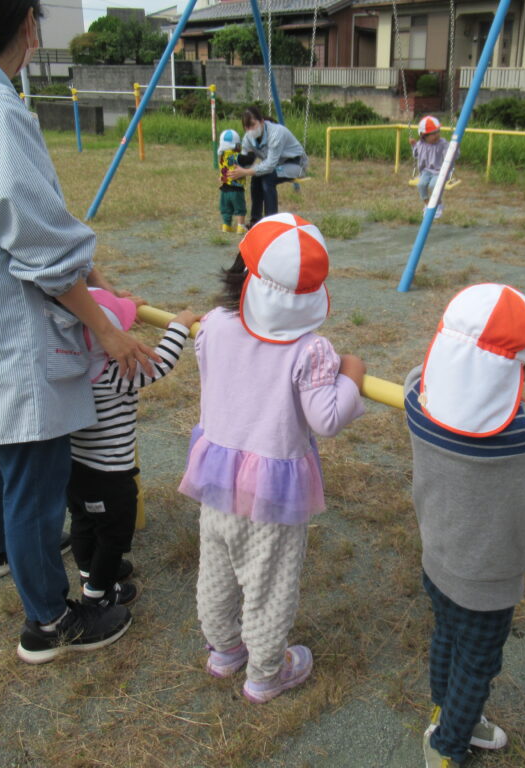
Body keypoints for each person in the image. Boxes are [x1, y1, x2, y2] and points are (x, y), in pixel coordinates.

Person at [0, 0, 161, 665]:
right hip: (8, 334)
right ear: (26, 24)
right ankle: (49, 621)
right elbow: (39, 243)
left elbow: (35, 224)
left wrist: (94, 276)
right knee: (35, 479)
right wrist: (107, 329)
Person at [404, 284, 525, 768]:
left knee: (446, 635)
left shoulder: (416, 399)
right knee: (478, 663)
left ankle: (443, 713)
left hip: (435, 558)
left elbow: (417, 373)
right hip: (488, 583)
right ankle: (448, 747)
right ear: (519, 369)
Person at [178, 213, 366, 703]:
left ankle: (224, 650)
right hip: (272, 495)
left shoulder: (214, 325)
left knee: (217, 568)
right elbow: (326, 418)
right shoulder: (311, 350)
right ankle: (265, 673)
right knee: (268, 582)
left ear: (239, 273)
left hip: (217, 477)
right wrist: (352, 374)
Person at [69, 289, 199, 608]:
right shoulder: (115, 372)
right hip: (110, 476)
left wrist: (125, 308)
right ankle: (98, 595)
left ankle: (90, 574)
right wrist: (179, 325)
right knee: (113, 536)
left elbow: (96, 320)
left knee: (84, 523)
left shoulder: (69, 369)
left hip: (73, 469)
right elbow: (160, 364)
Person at [226, 106, 307, 226]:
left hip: (295, 163)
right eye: (247, 127)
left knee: (268, 177)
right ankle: (255, 221)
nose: (250, 130)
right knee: (256, 177)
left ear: (262, 121)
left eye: (252, 125)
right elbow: (245, 160)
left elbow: (269, 166)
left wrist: (245, 172)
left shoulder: (276, 133)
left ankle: (271, 222)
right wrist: (229, 172)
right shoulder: (248, 138)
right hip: (276, 165)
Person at [410, 115, 449, 219]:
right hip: (426, 171)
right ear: (424, 136)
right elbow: (416, 155)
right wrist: (414, 145)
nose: (436, 135)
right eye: (433, 133)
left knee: (433, 186)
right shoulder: (421, 144)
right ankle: (427, 204)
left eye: (437, 132)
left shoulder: (442, 143)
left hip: (440, 171)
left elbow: (451, 154)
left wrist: (453, 149)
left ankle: (438, 205)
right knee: (421, 185)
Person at [216, 128, 248, 235]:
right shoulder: (238, 156)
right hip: (237, 189)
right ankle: (240, 226)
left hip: (224, 188)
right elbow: (247, 163)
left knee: (226, 208)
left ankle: (226, 225)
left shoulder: (222, 156)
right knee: (240, 208)